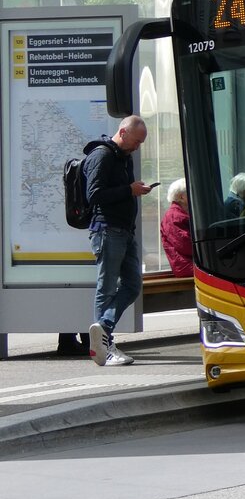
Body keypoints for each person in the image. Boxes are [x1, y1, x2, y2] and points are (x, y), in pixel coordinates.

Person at [83, 114, 153, 367]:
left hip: (124, 230)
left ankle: (102, 328)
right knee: (107, 286)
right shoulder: (102, 155)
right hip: (107, 230)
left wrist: (134, 190)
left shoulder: (123, 157)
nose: (138, 147)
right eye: (136, 141)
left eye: (141, 143)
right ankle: (104, 347)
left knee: (133, 285)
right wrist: (129, 190)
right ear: (122, 133)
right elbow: (94, 195)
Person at [160, 178, 196, 278]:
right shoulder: (174, 216)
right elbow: (184, 244)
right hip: (186, 265)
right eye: (191, 191)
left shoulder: (183, 213)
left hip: (192, 262)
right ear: (182, 197)